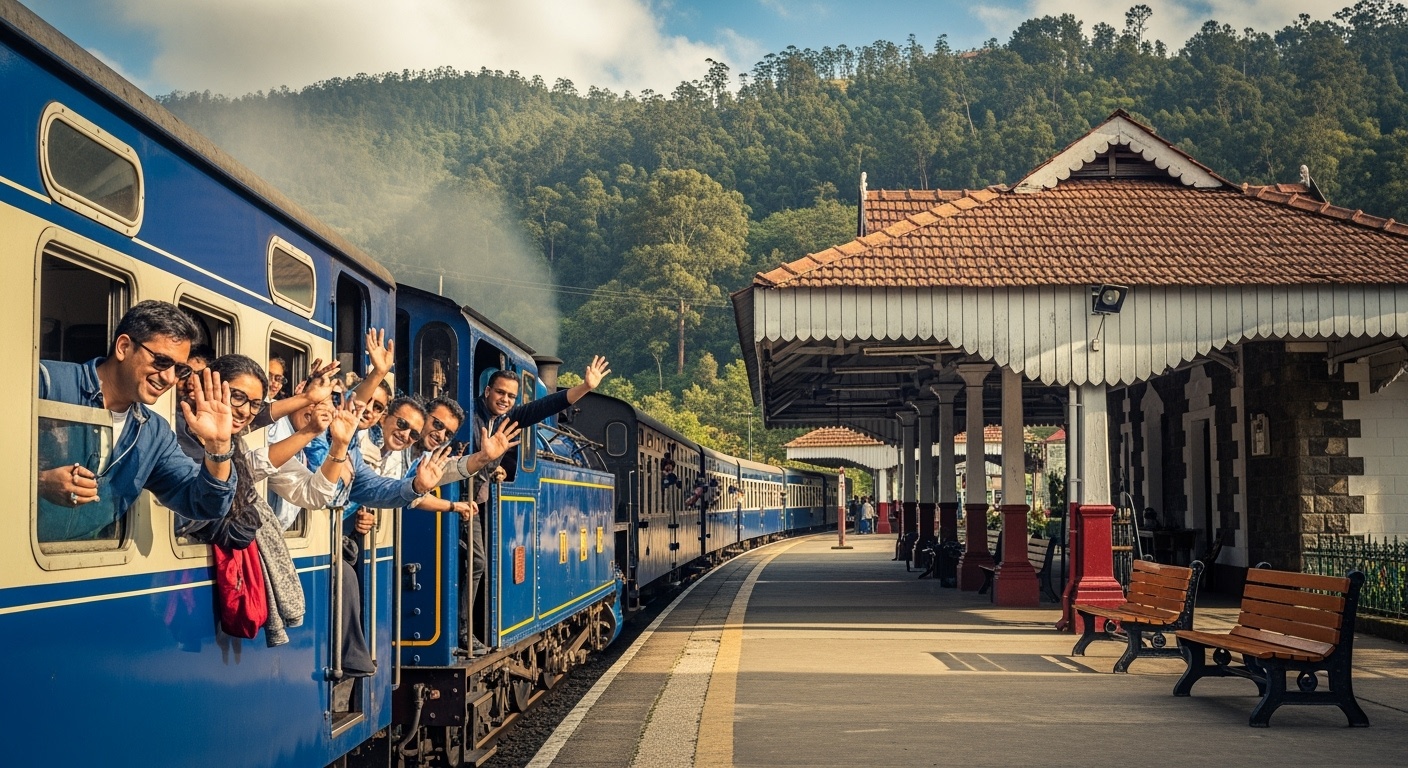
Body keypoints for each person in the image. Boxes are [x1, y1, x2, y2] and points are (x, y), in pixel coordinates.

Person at [37, 300, 234, 541]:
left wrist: (218, 446)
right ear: (123, 347)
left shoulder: (154, 434)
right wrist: (40, 482)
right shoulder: (45, 383)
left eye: (179, 370)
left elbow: (205, 504)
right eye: (161, 361)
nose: (169, 378)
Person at [453, 356, 611, 654]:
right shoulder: (466, 416)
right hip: (460, 497)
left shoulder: (507, 419)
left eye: (511, 396)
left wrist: (586, 387)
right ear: (487, 391)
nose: (505, 399)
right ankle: (463, 631)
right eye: (500, 393)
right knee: (476, 562)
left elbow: (546, 406)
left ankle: (468, 627)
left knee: (476, 562)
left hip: (477, 500)